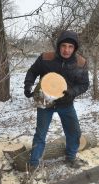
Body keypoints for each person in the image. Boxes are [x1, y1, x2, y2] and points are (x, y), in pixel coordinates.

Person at [24, 30, 89, 169]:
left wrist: (72, 92)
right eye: (64, 46)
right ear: (59, 46)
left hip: (66, 102)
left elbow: (84, 84)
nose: (66, 50)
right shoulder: (46, 58)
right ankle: (34, 164)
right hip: (44, 100)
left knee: (74, 132)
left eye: (70, 47)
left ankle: (71, 157)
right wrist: (28, 85)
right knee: (40, 134)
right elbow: (32, 71)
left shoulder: (81, 63)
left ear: (75, 48)